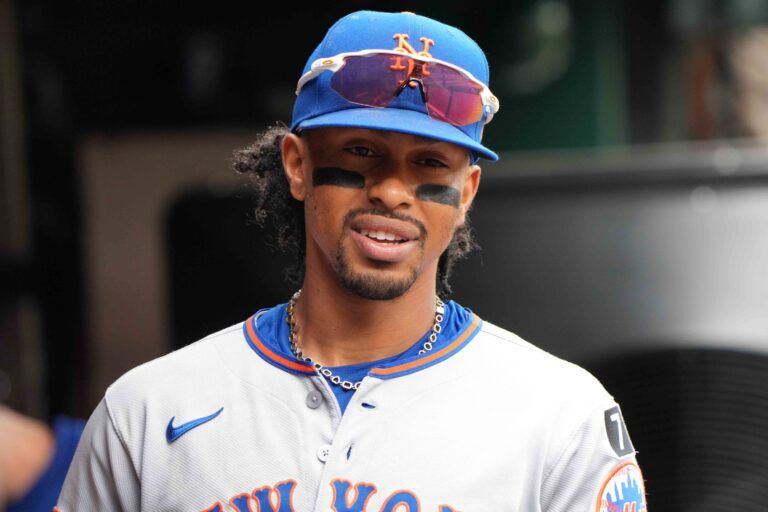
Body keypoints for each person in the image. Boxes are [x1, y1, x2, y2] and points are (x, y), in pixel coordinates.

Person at [56, 10, 647, 512]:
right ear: (297, 165)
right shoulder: (149, 409)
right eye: (362, 152)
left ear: (466, 192)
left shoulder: (560, 415)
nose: (392, 191)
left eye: (429, 164)